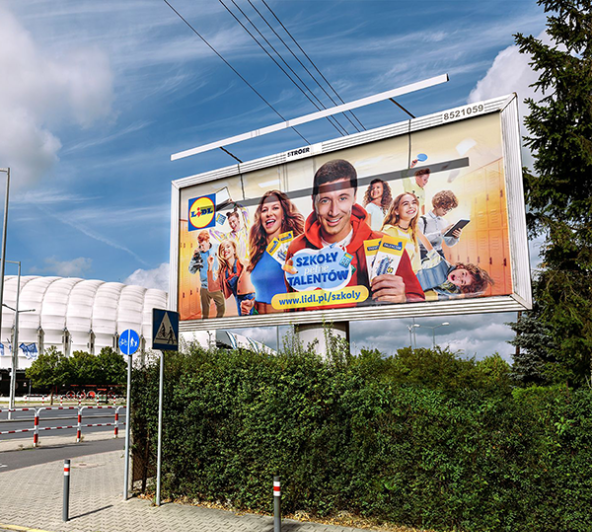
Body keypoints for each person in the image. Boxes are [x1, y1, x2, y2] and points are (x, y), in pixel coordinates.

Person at [284, 159, 424, 310]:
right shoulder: (297, 247)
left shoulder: (385, 246)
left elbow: (420, 307)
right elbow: (291, 308)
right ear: (314, 202)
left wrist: (405, 300)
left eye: (342, 198)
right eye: (325, 200)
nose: (334, 211)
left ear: (354, 198)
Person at [241, 190, 305, 315]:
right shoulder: (258, 252)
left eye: (275, 208)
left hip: (285, 321)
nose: (269, 213)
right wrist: (252, 303)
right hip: (259, 320)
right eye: (264, 210)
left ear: (284, 214)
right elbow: (266, 289)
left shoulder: (295, 247)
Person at [381, 193, 433, 273]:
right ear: (396, 211)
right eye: (405, 204)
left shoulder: (412, 232)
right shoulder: (390, 231)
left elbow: (415, 266)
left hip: (407, 280)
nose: (411, 206)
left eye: (414, 203)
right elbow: (383, 263)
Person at [188, 231, 225, 319]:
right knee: (204, 314)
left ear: (208, 241)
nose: (201, 247)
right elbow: (192, 271)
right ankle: (206, 329)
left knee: (221, 308)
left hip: (216, 286)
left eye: (203, 245)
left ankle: (216, 324)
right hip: (204, 287)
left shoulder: (217, 248)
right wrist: (194, 257)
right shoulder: (198, 253)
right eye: (199, 245)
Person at [213, 239, 255, 316]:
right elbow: (212, 288)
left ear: (234, 250)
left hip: (250, 298)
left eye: (228, 247)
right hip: (238, 300)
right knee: (244, 323)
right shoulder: (223, 272)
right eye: (222, 249)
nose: (225, 250)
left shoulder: (243, 263)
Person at [416, 259, 494, 300]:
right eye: (463, 274)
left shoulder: (451, 288)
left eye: (462, 281)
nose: (459, 278)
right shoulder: (442, 264)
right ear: (460, 267)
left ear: (460, 286)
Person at [418, 190, 463, 260]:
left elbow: (449, 243)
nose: (446, 212)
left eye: (449, 209)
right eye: (445, 208)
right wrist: (440, 232)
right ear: (437, 204)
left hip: (439, 255)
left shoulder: (444, 222)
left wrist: (455, 237)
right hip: (424, 256)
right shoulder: (422, 220)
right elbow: (418, 241)